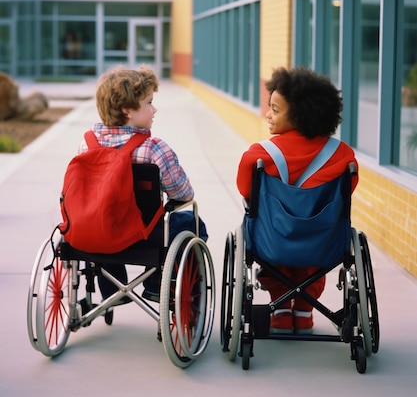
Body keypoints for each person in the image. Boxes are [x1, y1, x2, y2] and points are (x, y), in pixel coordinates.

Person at [236, 66, 358, 334]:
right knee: (313, 254)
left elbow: (246, 191)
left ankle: (279, 311)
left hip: (272, 244)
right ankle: (303, 312)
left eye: (275, 110)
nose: (268, 114)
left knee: (270, 236)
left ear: (301, 115)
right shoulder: (342, 155)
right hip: (322, 245)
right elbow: (347, 191)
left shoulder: (260, 155)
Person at [79, 65, 207, 303]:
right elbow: (183, 194)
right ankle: (157, 282)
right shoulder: (154, 149)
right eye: (149, 102)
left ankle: (112, 289)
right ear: (128, 110)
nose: (154, 108)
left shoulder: (86, 145)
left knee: (105, 217)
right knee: (193, 222)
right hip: (142, 236)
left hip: (93, 234)